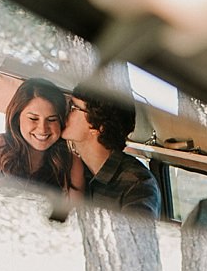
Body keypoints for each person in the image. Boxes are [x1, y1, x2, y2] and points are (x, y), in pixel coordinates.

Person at [0, 77, 84, 202]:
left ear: (61, 121)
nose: (42, 129)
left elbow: (76, 216)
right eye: (33, 119)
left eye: (51, 120)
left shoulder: (72, 163)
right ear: (17, 117)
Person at [61, 84, 161, 219]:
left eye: (73, 108)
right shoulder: (69, 168)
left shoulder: (137, 185)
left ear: (98, 127)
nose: (65, 112)